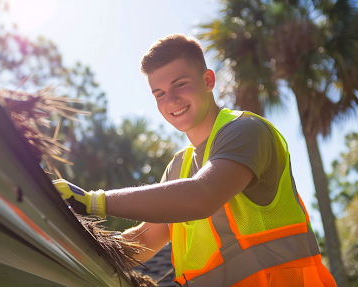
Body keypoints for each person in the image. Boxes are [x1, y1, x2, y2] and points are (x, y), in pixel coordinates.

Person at [54, 34, 336, 287]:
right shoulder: (178, 168)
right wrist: (67, 251)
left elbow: (202, 196)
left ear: (208, 80)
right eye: (159, 93)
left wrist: (92, 201)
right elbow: (145, 239)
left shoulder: (245, 131)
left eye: (180, 85)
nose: (171, 100)